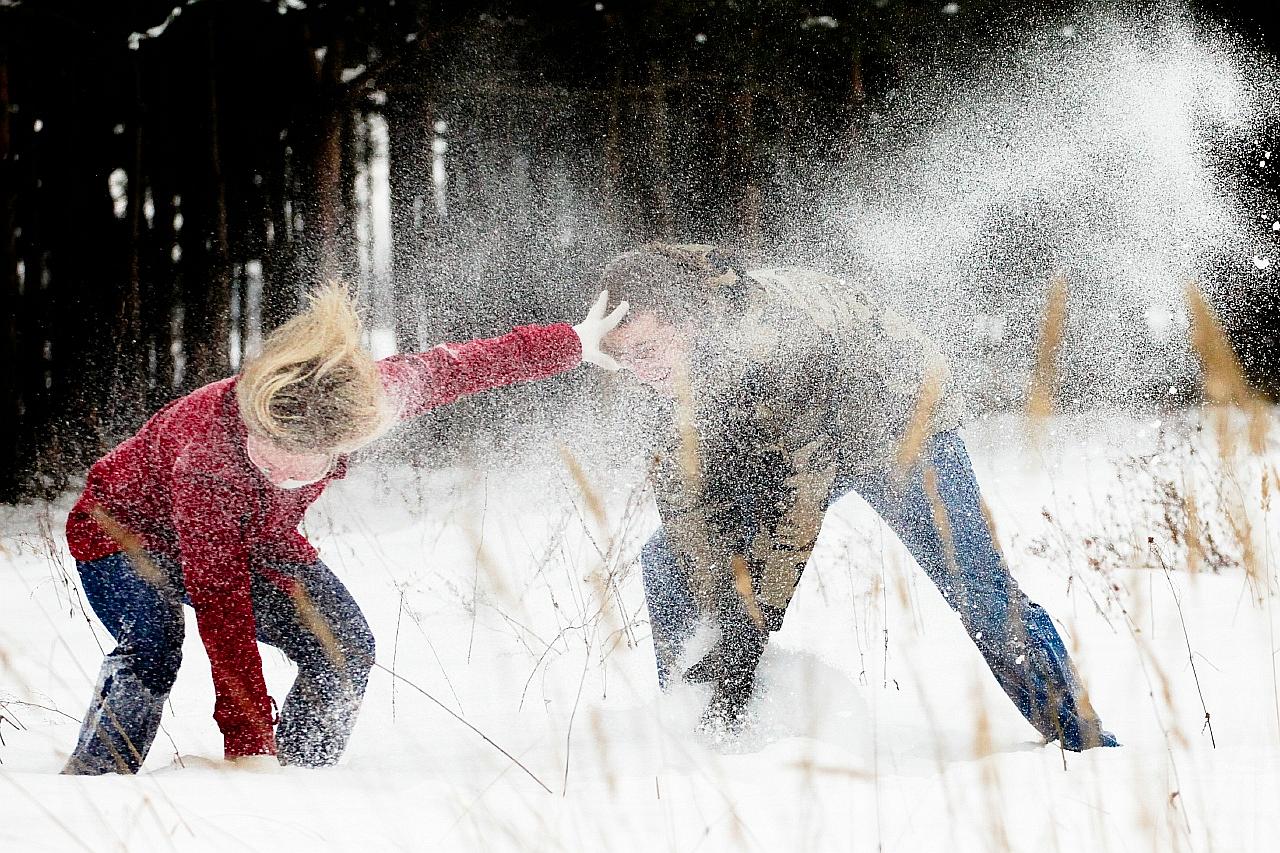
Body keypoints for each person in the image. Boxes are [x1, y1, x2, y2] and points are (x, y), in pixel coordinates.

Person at [61, 284, 627, 774]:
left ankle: (304, 779)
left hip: (258, 541)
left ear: (342, 442)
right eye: (272, 447)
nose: (283, 468)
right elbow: (221, 604)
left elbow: (455, 368)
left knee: (345, 646)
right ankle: (100, 781)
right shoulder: (207, 457)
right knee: (153, 645)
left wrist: (573, 342)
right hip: (122, 535)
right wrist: (248, 743)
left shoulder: (362, 401)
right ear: (255, 419)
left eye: (304, 456)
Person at [599, 242, 1117, 752]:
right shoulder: (670, 373)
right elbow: (685, 501)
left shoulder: (767, 346)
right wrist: (715, 617)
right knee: (667, 559)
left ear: (686, 320)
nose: (640, 369)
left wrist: (743, 639)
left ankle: (1082, 742)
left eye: (648, 350)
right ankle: (700, 729)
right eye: (626, 357)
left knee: (978, 587)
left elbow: (795, 511)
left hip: (901, 419)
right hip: (800, 432)